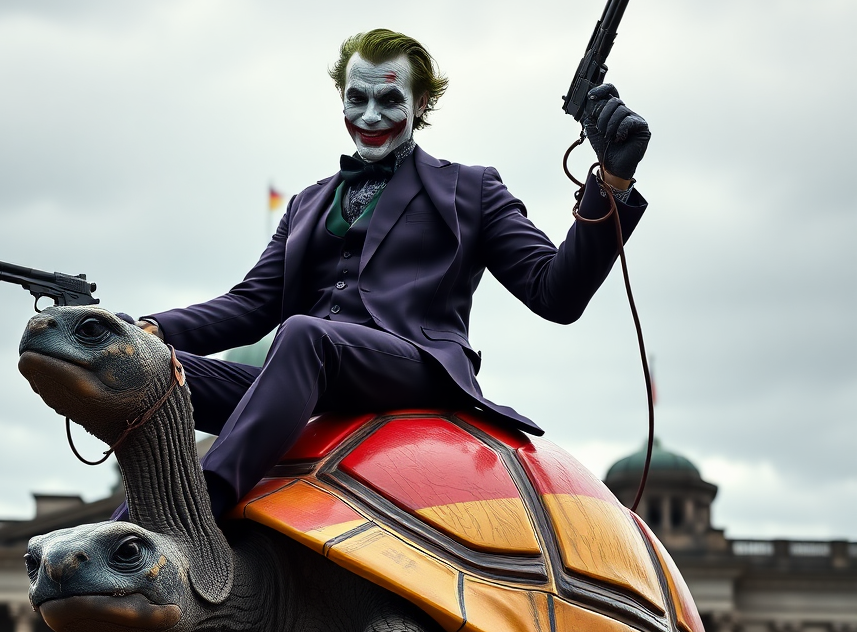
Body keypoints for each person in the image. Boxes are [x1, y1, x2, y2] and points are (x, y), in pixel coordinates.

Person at [133, 29, 650, 519]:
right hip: (304, 377)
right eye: (356, 100)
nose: (371, 115)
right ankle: (128, 526)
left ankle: (196, 509)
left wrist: (612, 183)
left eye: (389, 100)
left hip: (413, 370)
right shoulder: (306, 203)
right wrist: (148, 332)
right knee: (141, 366)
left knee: (302, 336)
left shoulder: (470, 189)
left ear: (422, 103)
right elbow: (250, 305)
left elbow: (555, 293)